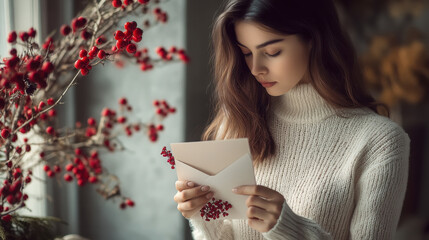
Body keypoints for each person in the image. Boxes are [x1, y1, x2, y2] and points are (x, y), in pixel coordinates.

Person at [173, 0, 411, 239]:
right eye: (246, 53)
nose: (256, 68)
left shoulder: (380, 140)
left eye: (272, 52)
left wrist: (289, 229)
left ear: (314, 40)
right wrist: (203, 215)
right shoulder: (240, 121)